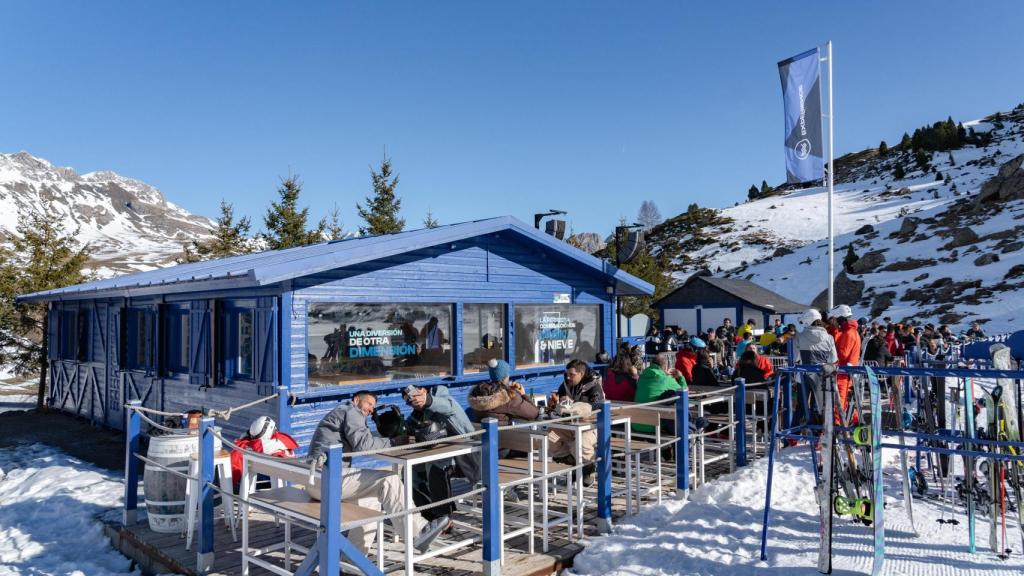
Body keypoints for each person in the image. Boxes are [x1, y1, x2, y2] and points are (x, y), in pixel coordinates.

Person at [306, 391, 449, 555]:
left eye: (374, 407)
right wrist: (394, 441)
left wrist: (384, 435)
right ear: (356, 400)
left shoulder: (342, 413)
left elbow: (362, 440)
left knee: (371, 502)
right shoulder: (352, 410)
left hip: (317, 480)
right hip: (325, 480)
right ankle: (418, 532)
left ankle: (352, 560)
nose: (372, 410)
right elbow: (364, 445)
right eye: (369, 404)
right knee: (389, 480)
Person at [230, 416, 299, 488]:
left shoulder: (272, 444)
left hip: (275, 474)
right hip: (269, 473)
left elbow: (257, 445)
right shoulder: (282, 441)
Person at [633, 352, 686, 436]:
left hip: (636, 424)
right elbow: (684, 391)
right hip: (654, 426)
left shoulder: (642, 377)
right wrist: (680, 377)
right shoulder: (666, 378)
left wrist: (664, 373)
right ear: (665, 366)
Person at [829, 304, 861, 417]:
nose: (833, 322)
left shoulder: (848, 333)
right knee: (843, 402)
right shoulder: (849, 331)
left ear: (839, 318)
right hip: (845, 372)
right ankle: (851, 421)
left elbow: (842, 354)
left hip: (843, 373)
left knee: (839, 403)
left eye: (834, 319)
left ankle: (837, 428)